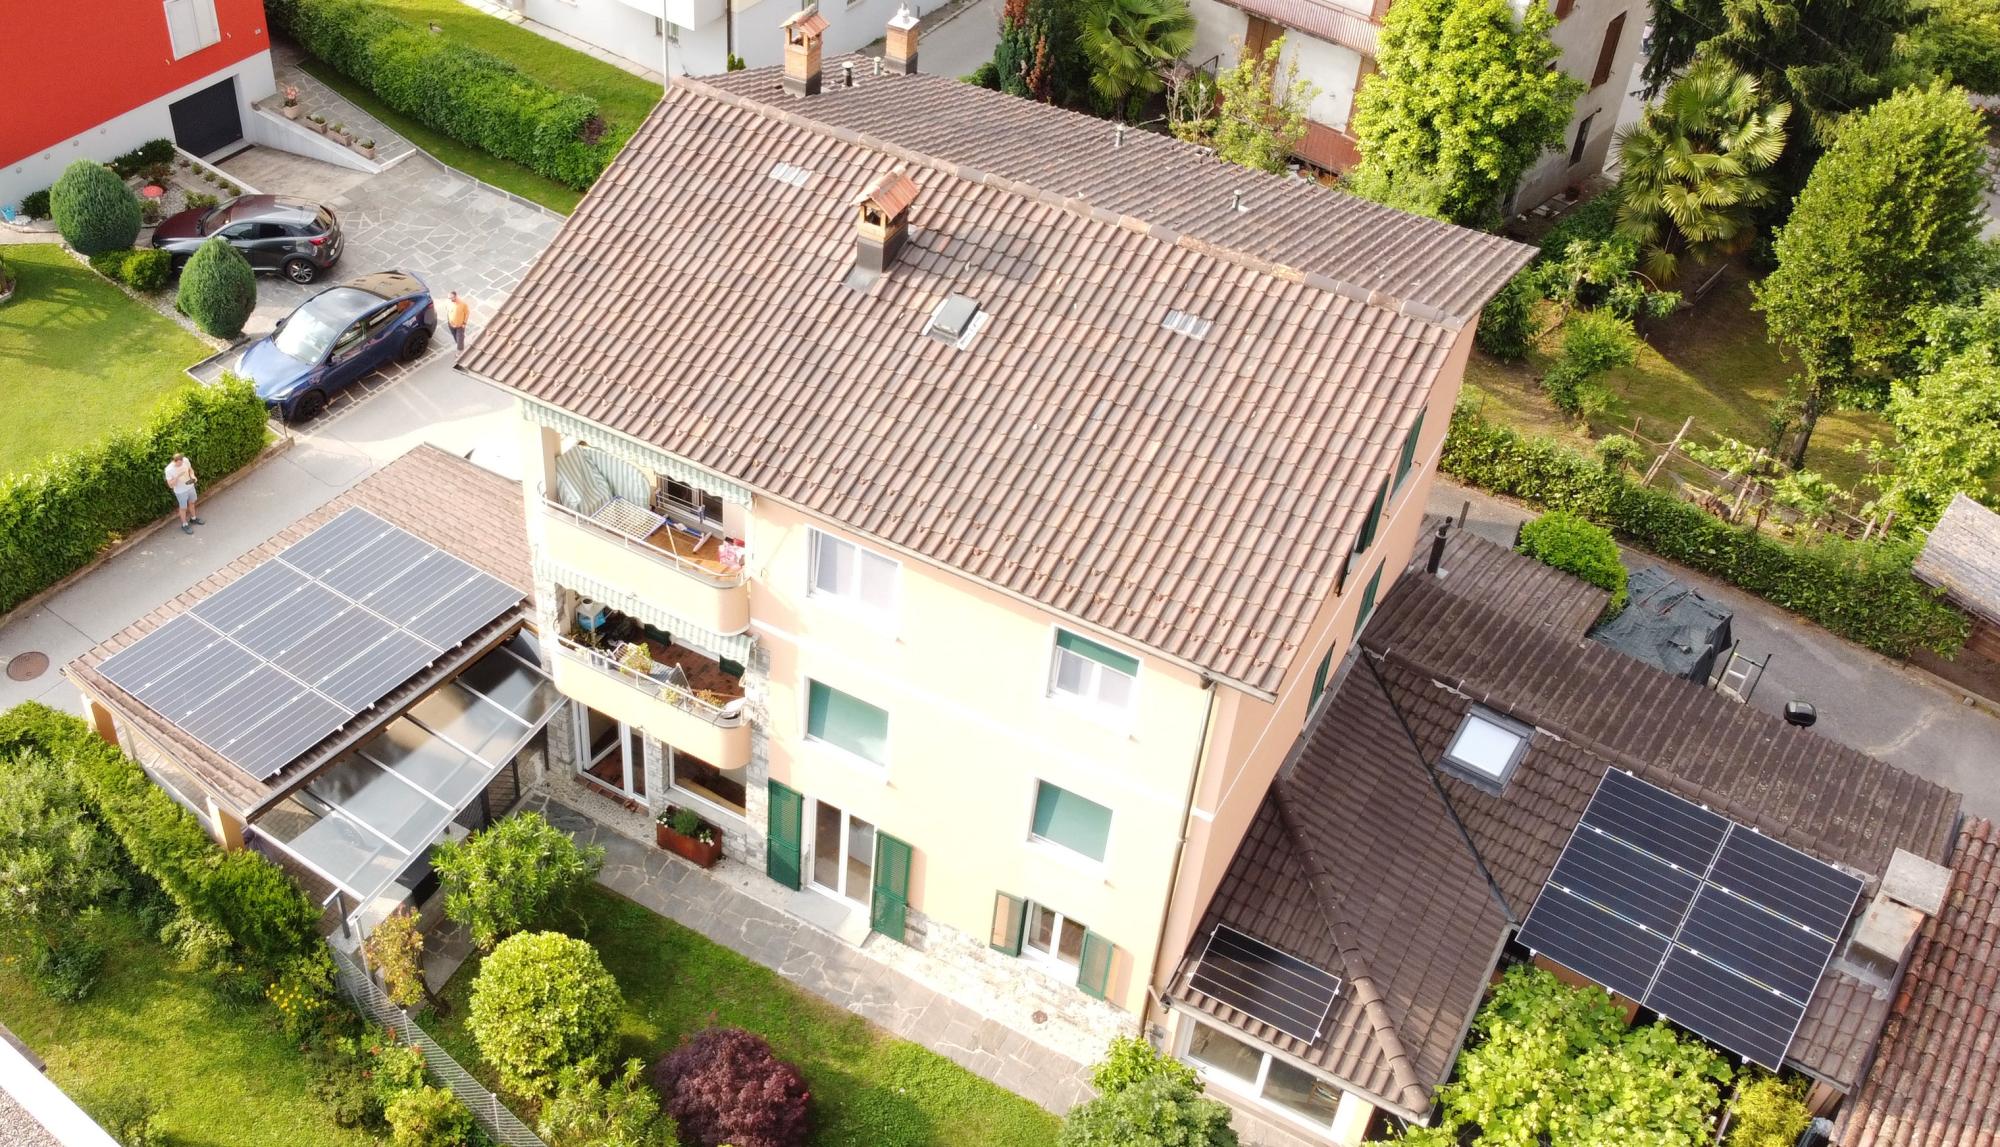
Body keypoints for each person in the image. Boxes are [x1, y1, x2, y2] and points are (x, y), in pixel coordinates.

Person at [164, 452, 202, 534]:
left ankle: (193, 518)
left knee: (192, 502)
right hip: (180, 491)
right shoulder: (169, 470)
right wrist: (177, 476)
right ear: (174, 461)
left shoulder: (185, 460)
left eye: (181, 463)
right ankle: (184, 524)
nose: (180, 465)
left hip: (190, 486)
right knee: (183, 508)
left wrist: (193, 476)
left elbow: (190, 470)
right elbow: (170, 485)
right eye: (178, 464)